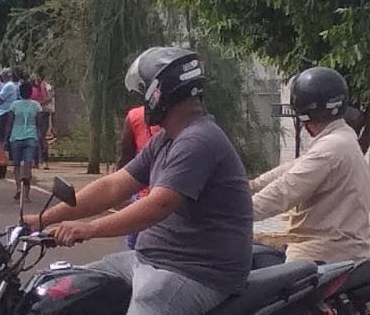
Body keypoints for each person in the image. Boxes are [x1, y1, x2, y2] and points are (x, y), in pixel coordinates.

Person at [24, 47, 253, 314]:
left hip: (196, 272)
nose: (143, 103)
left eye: (143, 93)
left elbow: (159, 205)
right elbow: (114, 186)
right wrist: (43, 219)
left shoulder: (198, 140)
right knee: (66, 290)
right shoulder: (167, 139)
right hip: (150, 259)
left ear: (160, 92)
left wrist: (89, 229)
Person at [250, 67, 370, 264]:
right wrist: (252, 185)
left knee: (265, 291)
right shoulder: (342, 137)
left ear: (305, 116)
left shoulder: (331, 147)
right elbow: (295, 167)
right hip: (340, 247)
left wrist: (235, 213)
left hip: (323, 252)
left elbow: (284, 191)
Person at [117, 105, 161, 249]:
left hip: (145, 192)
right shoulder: (180, 118)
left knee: (133, 246)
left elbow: (126, 154)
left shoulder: (135, 115)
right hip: (165, 193)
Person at [8, 81, 42, 202]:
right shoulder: (36, 106)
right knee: (28, 165)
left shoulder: (14, 105)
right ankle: (26, 194)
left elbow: (10, 123)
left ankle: (18, 187)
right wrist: (40, 139)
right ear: (31, 92)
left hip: (16, 137)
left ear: (20, 92)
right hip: (31, 137)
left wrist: (6, 139)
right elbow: (39, 124)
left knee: (16, 165)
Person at [0, 68, 16, 148]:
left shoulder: (8, 86)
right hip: (5, 112)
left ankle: (1, 153)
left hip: (4, 113)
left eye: (1, 76)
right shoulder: (8, 85)